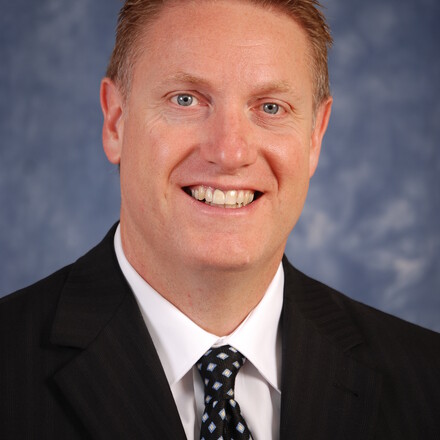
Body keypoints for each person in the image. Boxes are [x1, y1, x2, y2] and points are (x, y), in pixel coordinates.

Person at [1, 0, 439, 439]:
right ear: (116, 121)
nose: (230, 152)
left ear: (314, 136)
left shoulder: (426, 379)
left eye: (270, 108)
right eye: (186, 100)